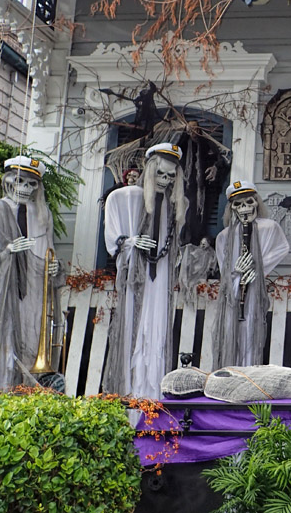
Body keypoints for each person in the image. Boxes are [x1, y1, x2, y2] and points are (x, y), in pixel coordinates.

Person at [0, 156, 64, 391]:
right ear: (9, 181)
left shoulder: (42, 214)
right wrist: (8, 250)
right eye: (20, 181)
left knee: (30, 338)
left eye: (32, 184)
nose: (25, 189)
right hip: (4, 290)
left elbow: (47, 251)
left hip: (34, 291)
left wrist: (54, 267)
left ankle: (24, 391)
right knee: (3, 339)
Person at [103, 143, 186, 398]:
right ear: (150, 171)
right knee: (133, 327)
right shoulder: (124, 198)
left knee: (157, 328)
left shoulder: (177, 207)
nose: (165, 180)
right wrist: (129, 241)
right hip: (136, 279)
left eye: (171, 176)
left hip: (160, 279)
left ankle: (153, 395)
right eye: (160, 174)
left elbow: (175, 244)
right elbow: (113, 239)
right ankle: (130, 393)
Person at [213, 181, 290, 367]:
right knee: (231, 331)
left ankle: (249, 371)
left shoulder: (269, 227)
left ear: (257, 203)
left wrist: (258, 267)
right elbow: (225, 270)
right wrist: (235, 273)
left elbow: (281, 248)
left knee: (251, 331)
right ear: (231, 209)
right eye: (238, 205)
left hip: (254, 289)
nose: (245, 209)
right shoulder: (224, 236)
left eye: (249, 202)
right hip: (233, 294)